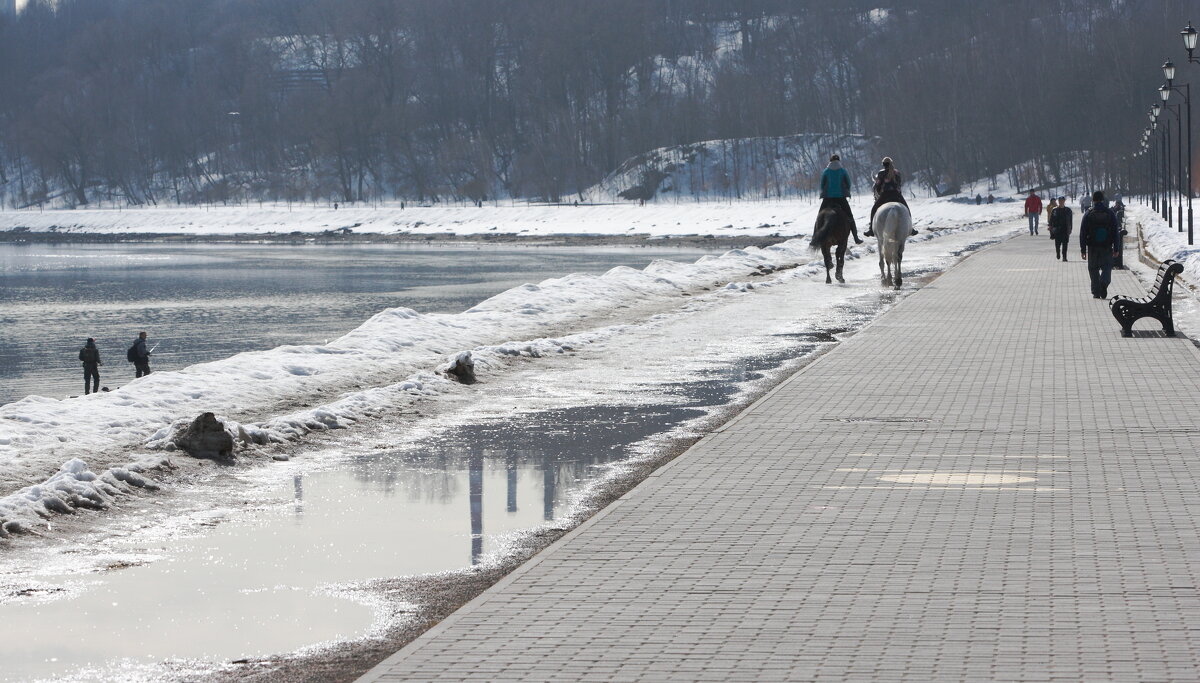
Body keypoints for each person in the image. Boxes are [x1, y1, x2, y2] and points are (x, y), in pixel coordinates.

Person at [1080, 191, 1121, 299]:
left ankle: (1096, 291)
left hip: (1092, 246)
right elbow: (1115, 232)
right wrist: (1116, 248)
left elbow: (1083, 232)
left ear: (1093, 200)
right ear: (1103, 200)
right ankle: (1104, 282)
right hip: (1106, 246)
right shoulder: (1110, 213)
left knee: (1093, 269)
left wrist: (1083, 249)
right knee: (1107, 267)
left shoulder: (1088, 213)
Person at [864, 157, 917, 236]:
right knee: (907, 209)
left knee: (874, 210)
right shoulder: (897, 173)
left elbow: (877, 186)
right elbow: (899, 185)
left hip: (885, 195)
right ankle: (911, 228)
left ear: (883, 165)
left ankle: (871, 229)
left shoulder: (881, 173)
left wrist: (879, 193)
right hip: (897, 195)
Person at [818, 153, 863, 244]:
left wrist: (825, 191)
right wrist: (846, 190)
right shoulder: (843, 171)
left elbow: (822, 184)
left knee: (819, 218)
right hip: (841, 198)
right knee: (850, 217)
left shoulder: (826, 171)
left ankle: (814, 238)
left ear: (830, 161)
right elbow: (848, 183)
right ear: (839, 161)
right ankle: (856, 237)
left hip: (828, 199)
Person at [1048, 197, 1073, 262]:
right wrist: (1050, 226)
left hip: (1065, 229)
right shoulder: (1055, 210)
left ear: (1064, 201)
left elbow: (1070, 221)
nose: (1061, 202)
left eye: (1062, 200)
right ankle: (1058, 253)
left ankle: (1064, 257)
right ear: (1058, 201)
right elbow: (1051, 219)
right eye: (1060, 201)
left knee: (1065, 244)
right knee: (1057, 244)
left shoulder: (1068, 210)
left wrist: (1070, 229)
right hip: (1057, 229)